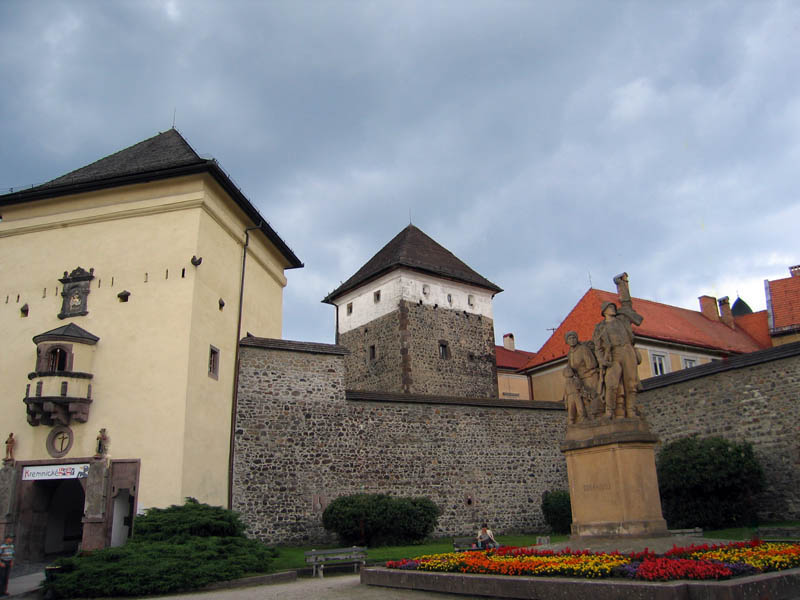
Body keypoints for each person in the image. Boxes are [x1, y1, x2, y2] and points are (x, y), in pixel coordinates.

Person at [592, 273, 643, 418]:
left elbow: (627, 303)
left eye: (613, 307)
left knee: (631, 383)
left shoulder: (622, 320)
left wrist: (621, 285)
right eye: (610, 308)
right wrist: (601, 360)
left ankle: (631, 411)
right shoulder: (600, 328)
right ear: (604, 311)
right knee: (611, 383)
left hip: (627, 350)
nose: (613, 309)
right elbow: (597, 346)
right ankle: (609, 411)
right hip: (613, 354)